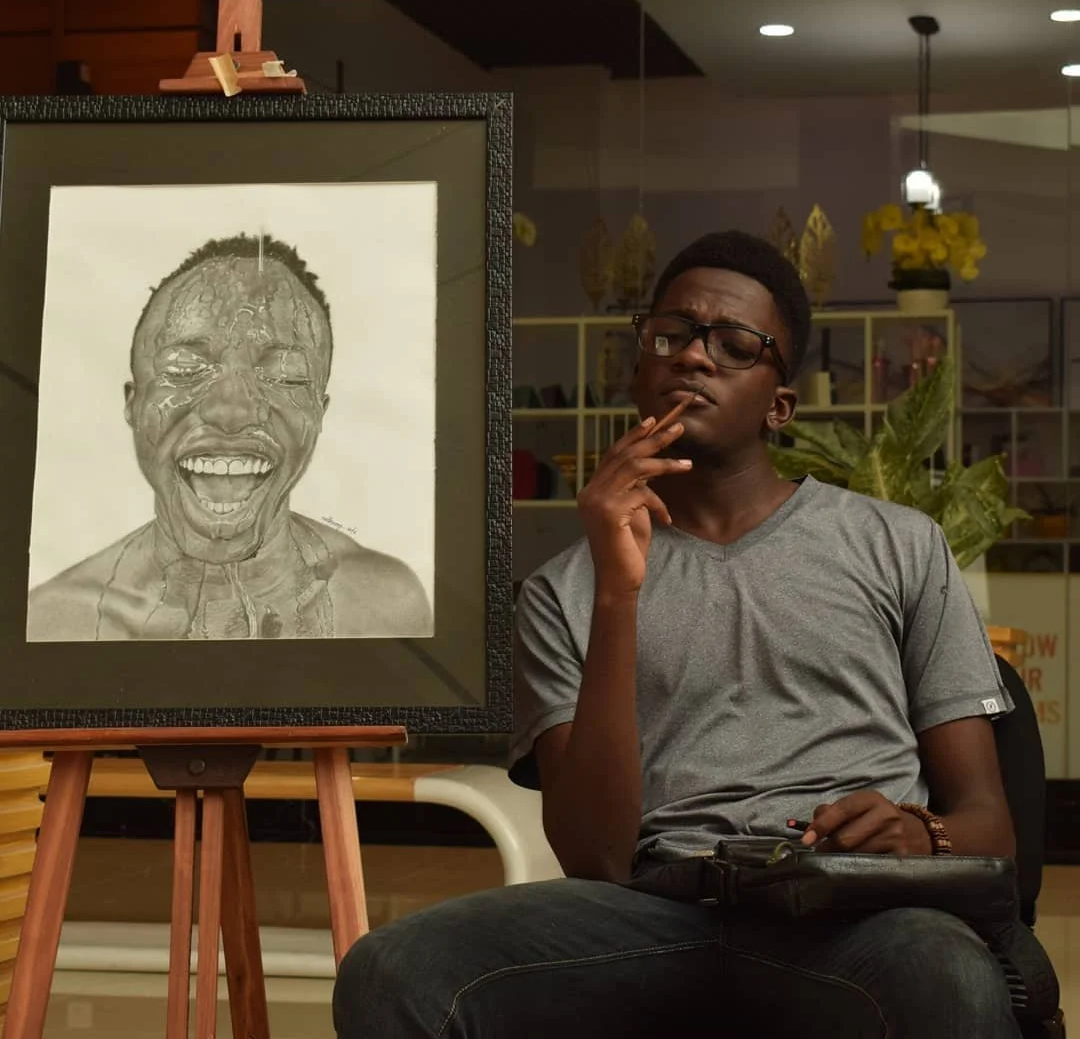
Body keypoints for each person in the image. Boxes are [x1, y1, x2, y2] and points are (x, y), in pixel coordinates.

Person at [331, 231, 1021, 1037]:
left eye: (734, 345)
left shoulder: (896, 545)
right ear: (638, 371)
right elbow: (593, 858)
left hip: (850, 913)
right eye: (672, 335)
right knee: (391, 973)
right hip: (651, 912)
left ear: (780, 403)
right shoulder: (565, 593)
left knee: (949, 978)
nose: (695, 357)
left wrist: (917, 831)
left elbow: (990, 826)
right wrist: (619, 591)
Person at [27, 233, 432, 641]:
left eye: (284, 375)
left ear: (318, 412)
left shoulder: (382, 607)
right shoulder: (56, 624)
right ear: (133, 404)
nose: (232, 411)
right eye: (185, 368)